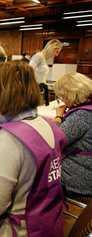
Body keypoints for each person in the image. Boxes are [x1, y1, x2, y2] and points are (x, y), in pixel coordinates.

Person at [0, 61, 65, 236]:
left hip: (20, 230)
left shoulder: (10, 139)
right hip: (50, 222)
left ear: (1, 93)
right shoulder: (49, 124)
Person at [54, 72, 92, 204]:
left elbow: (55, 140)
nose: (63, 100)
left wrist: (58, 117)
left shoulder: (81, 116)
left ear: (71, 94)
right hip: (86, 169)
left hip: (81, 178)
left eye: (63, 96)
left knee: (38, 172)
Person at [30, 39, 63, 106]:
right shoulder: (38, 56)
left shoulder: (44, 58)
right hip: (34, 90)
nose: (57, 55)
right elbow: (28, 71)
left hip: (40, 90)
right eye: (57, 51)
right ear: (51, 48)